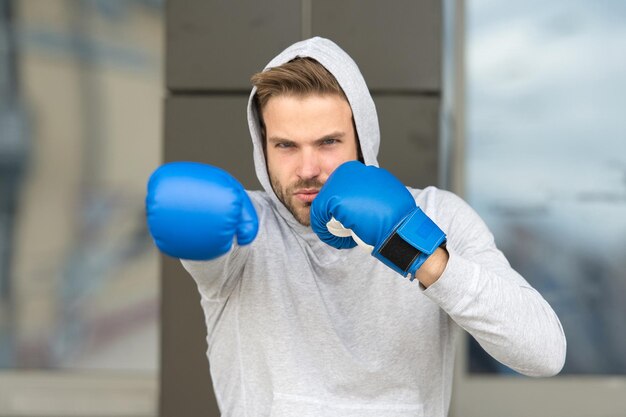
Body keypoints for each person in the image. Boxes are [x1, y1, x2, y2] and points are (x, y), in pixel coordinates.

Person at [146, 37, 566, 417]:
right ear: (263, 146)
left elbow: (544, 353)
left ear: (363, 138)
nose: (308, 169)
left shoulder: (438, 215)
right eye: (286, 146)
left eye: (328, 142)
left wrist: (415, 248)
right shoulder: (245, 230)